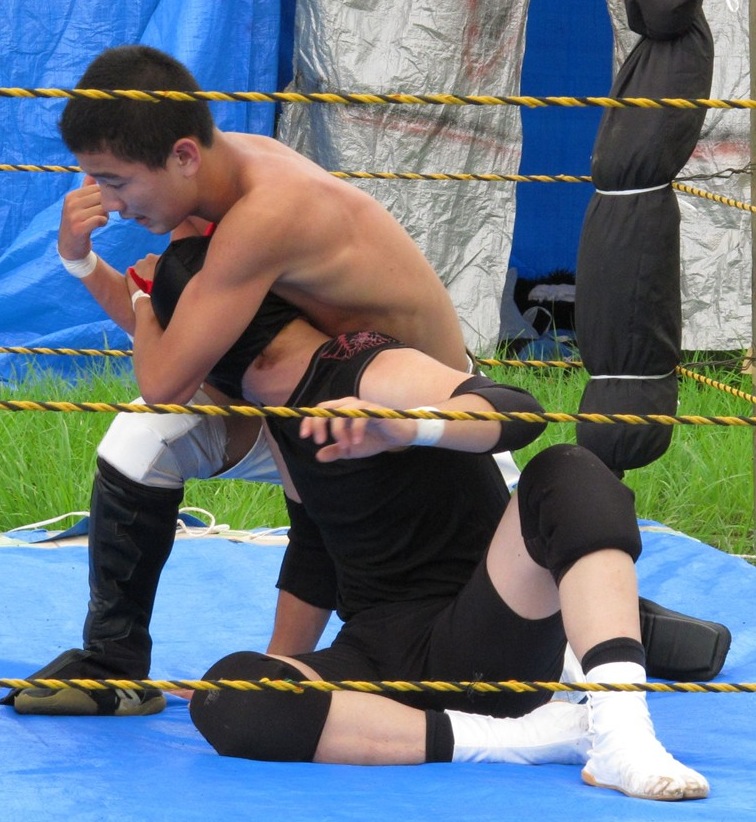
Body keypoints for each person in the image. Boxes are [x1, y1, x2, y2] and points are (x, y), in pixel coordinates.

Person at [3, 43, 728, 718]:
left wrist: (137, 294)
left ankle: (608, 618)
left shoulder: (264, 214)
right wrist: (82, 263)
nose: (109, 201)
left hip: (411, 418)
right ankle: (113, 662)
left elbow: (167, 369)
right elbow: (186, 348)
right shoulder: (205, 199)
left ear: (183, 155)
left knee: (484, 601)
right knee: (144, 437)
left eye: (114, 180)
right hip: (305, 409)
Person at [114, 235, 707, 801]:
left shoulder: (363, 364)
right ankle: (529, 738)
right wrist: (279, 669)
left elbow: (516, 410)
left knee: (567, 471)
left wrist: (406, 425)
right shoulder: (278, 410)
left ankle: (621, 732)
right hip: (381, 657)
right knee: (230, 696)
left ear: (213, 343)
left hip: (487, 634)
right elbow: (315, 551)